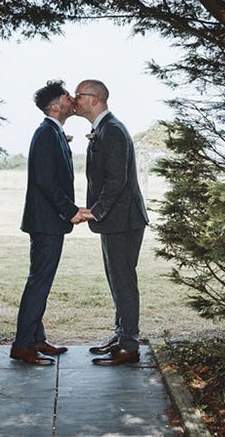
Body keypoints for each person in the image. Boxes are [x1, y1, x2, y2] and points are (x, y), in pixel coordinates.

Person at [10, 80, 92, 365]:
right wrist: (70, 211)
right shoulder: (46, 133)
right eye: (67, 96)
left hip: (48, 221)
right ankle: (22, 345)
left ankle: (36, 338)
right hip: (46, 222)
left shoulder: (54, 132)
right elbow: (45, 181)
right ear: (55, 106)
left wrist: (72, 209)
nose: (73, 99)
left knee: (40, 280)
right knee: (39, 282)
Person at [74, 79, 149, 366]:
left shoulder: (113, 131)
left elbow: (117, 181)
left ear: (94, 99)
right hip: (115, 221)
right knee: (116, 281)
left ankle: (129, 346)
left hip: (123, 220)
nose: (74, 99)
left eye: (79, 95)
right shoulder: (103, 129)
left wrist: (95, 210)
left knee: (124, 282)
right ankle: (121, 336)